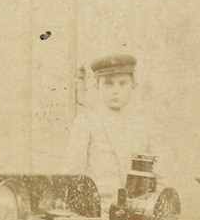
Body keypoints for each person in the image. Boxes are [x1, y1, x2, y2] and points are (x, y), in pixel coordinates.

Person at [64, 52, 155, 204]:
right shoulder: (86, 122)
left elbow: (157, 175)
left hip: (136, 212)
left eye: (122, 83)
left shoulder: (140, 125)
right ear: (97, 85)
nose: (115, 90)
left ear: (133, 85)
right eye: (108, 83)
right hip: (97, 211)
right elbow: (73, 173)